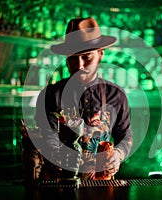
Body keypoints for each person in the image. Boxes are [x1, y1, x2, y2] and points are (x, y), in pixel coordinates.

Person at [33, 17, 133, 181]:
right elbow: (47, 135)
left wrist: (118, 154)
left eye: (86, 57)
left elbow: (125, 136)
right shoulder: (51, 95)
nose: (78, 65)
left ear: (101, 54)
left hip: (101, 186)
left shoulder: (116, 95)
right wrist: (54, 154)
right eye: (72, 57)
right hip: (59, 186)